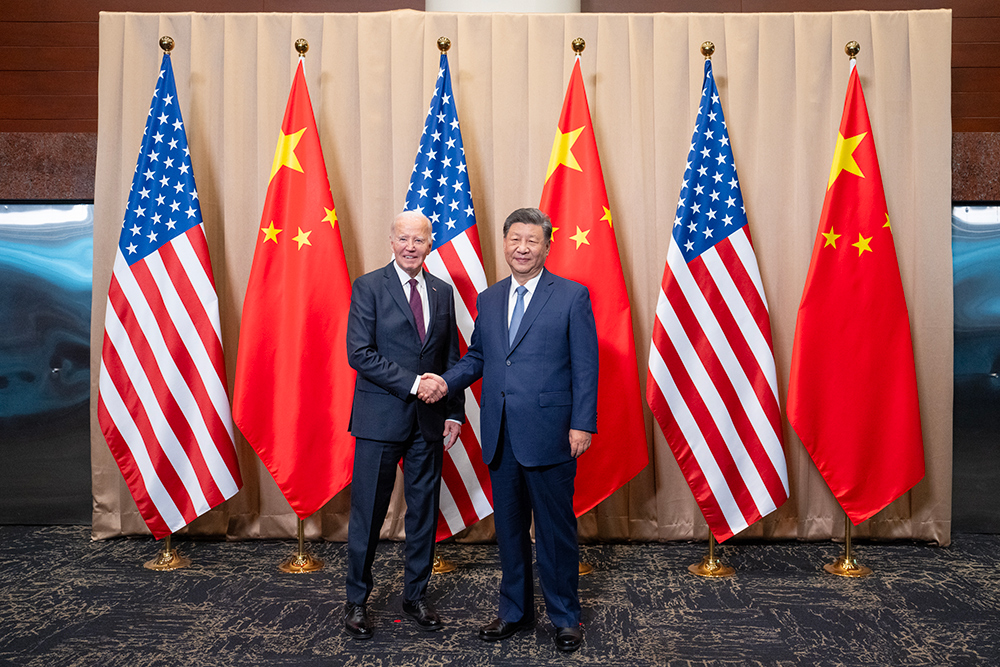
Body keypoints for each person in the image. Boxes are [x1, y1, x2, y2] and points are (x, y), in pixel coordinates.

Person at [421, 207, 598, 653]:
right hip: (500, 434)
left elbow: (586, 366)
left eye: (531, 241)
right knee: (512, 531)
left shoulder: (572, 296)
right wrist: (446, 381)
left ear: (546, 245)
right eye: (515, 239)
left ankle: (564, 617)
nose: (522, 248)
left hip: (552, 434)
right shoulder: (490, 297)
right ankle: (514, 612)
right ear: (504, 244)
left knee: (556, 533)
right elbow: (479, 356)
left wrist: (582, 424)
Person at [343, 210, 464, 639]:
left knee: (424, 515)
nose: (411, 246)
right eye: (403, 239)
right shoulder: (369, 287)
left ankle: (416, 595)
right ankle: (356, 601)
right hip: (379, 420)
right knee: (368, 515)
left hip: (429, 422)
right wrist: (414, 384)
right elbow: (360, 354)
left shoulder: (442, 292)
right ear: (391, 241)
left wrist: (453, 410)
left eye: (419, 240)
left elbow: (449, 357)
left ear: (431, 244)